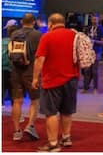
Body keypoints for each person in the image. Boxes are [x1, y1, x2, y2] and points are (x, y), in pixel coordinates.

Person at [32, 13, 79, 152]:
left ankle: (53, 144)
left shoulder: (47, 36)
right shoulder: (75, 35)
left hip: (52, 80)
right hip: (72, 79)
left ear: (50, 23)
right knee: (67, 111)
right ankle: (66, 138)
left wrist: (35, 78)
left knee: (51, 113)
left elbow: (40, 59)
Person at [10, 13, 42, 141]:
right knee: (35, 100)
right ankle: (30, 125)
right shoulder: (38, 35)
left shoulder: (14, 34)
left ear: (22, 22)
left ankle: (17, 131)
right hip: (31, 72)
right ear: (34, 22)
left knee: (17, 101)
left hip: (16, 71)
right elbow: (40, 56)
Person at [3, 23, 18, 107]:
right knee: (13, 90)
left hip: (2, 68)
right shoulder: (17, 42)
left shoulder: (2, 41)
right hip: (13, 69)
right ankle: (14, 106)